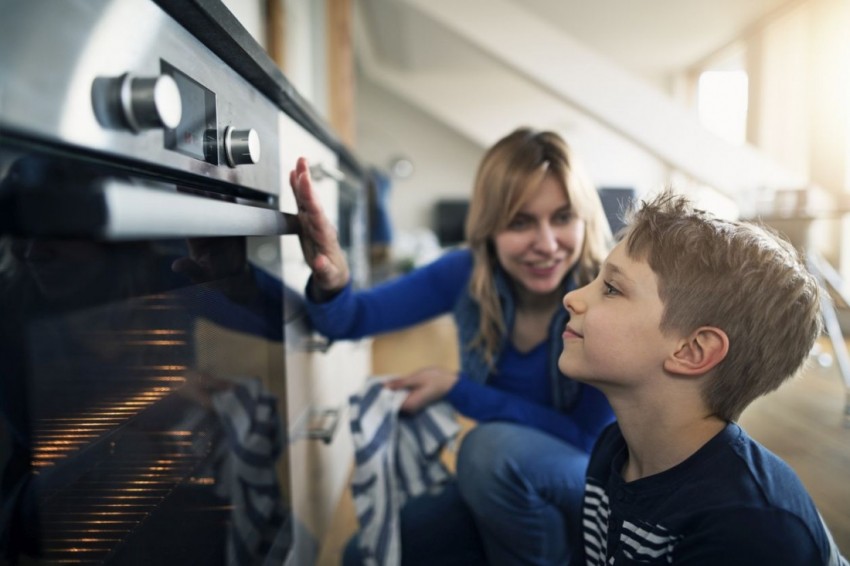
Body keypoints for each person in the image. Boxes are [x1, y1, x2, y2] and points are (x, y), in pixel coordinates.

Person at [288, 127, 616, 565]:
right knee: (360, 557)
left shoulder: (605, 297)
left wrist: (457, 389)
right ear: (490, 227)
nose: (547, 243)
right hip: (507, 480)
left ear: (584, 219)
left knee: (486, 451)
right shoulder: (465, 273)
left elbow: (588, 441)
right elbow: (353, 318)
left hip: (592, 485)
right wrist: (331, 274)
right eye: (521, 221)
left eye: (562, 217)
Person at [561, 191, 849, 565]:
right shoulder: (613, 448)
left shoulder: (750, 524)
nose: (572, 298)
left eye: (612, 289)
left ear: (692, 350)